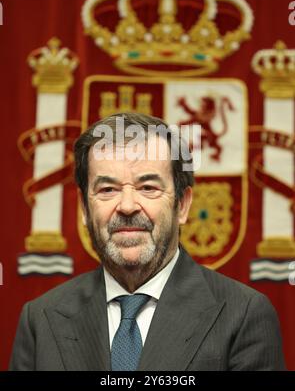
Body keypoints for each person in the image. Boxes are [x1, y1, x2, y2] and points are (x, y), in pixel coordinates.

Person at [9, 112, 285, 371]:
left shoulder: (244, 315)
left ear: (183, 205)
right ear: (84, 208)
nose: (127, 206)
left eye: (148, 188)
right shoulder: (40, 319)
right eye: (108, 189)